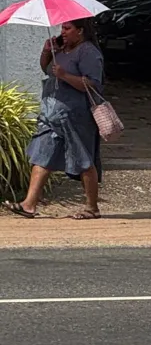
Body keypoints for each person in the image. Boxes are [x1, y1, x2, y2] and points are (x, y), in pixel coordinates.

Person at [9, 19, 106, 220]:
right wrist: (46, 52)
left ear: (80, 31)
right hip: (52, 114)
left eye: (67, 28)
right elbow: (47, 70)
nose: (63, 32)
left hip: (75, 115)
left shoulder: (88, 52)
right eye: (62, 28)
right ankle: (29, 204)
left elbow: (92, 84)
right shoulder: (61, 49)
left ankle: (92, 207)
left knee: (83, 159)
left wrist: (65, 75)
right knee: (42, 156)